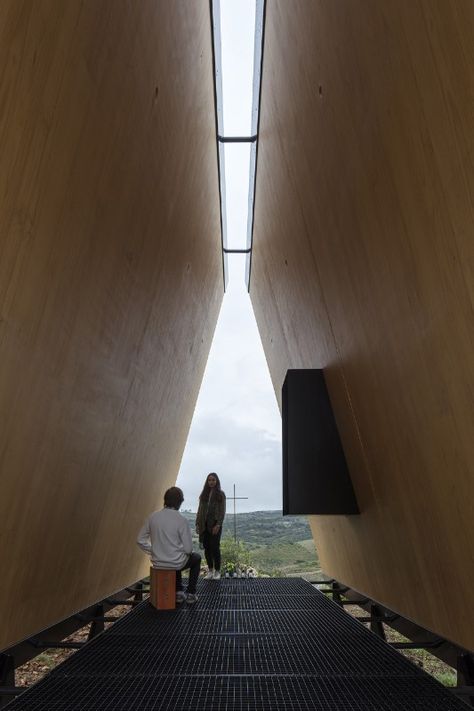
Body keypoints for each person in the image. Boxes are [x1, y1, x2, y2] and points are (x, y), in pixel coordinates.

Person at [137, 486, 201, 604]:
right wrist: (178, 549)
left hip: (158, 562)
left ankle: (178, 592)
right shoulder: (181, 520)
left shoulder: (153, 517)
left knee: (175, 557)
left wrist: (153, 550)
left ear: (165, 500)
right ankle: (191, 593)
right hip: (176, 563)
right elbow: (188, 549)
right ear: (180, 502)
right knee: (196, 558)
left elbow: (140, 540)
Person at [195, 472, 226, 580]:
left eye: (213, 480)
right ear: (207, 482)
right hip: (204, 525)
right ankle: (210, 571)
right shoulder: (203, 494)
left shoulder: (220, 494)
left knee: (215, 548)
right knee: (207, 548)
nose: (211, 482)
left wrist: (218, 524)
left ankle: (217, 571)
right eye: (209, 480)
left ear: (216, 481)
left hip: (215, 524)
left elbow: (222, 511)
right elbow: (199, 510)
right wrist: (197, 524)